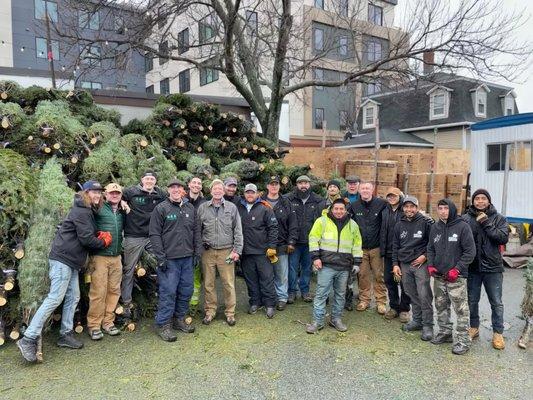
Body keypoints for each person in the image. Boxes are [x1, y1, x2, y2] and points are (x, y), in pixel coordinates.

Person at [17, 181, 110, 362]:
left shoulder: (87, 210)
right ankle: (28, 338)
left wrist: (96, 234)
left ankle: (65, 334)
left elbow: (84, 233)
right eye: (93, 192)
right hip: (63, 260)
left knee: (73, 296)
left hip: (72, 262)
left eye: (99, 192)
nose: (97, 195)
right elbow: (85, 239)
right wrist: (103, 241)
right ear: (85, 193)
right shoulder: (82, 210)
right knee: (55, 298)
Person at [149, 179, 201, 342]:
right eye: (173, 188)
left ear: (183, 190)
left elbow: (196, 232)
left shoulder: (190, 208)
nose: (176, 190)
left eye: (179, 187)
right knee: (168, 292)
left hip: (187, 258)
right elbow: (154, 234)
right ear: (168, 190)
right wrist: (160, 257)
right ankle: (163, 324)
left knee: (186, 290)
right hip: (169, 259)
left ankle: (179, 319)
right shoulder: (161, 208)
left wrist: (197, 253)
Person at [306, 198, 363, 333]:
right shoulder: (322, 221)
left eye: (341, 209)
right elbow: (313, 238)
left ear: (345, 210)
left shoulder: (352, 225)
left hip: (344, 267)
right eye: (336, 208)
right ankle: (318, 321)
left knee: (340, 295)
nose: (339, 211)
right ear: (331, 209)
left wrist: (357, 262)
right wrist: (315, 258)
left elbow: (357, 244)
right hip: (326, 265)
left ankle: (336, 319)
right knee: (321, 294)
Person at [427, 199, 476, 355]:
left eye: (446, 208)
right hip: (439, 276)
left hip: (457, 277)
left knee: (461, 310)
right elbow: (430, 248)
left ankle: (463, 341)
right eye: (440, 208)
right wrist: (430, 264)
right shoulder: (435, 227)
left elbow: (470, 252)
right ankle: (445, 332)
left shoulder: (462, 227)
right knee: (441, 306)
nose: (442, 211)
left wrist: (457, 269)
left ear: (452, 209)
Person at [463, 189, 509, 350]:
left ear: (488, 201)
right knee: (472, 300)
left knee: (496, 302)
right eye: (477, 198)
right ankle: (474, 327)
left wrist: (486, 222)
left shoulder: (499, 218)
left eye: (483, 198)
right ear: (473, 201)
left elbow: (503, 238)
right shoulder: (466, 219)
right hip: (473, 268)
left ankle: (498, 333)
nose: (480, 201)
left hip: (493, 268)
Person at [197, 179, 243, 326]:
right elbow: (197, 231)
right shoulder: (203, 208)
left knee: (228, 283)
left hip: (227, 251)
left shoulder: (231, 208)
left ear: (223, 191)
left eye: (220, 189)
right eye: (214, 189)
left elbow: (238, 230)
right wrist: (198, 249)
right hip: (208, 252)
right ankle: (210, 311)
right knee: (209, 284)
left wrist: (237, 250)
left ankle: (230, 313)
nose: (217, 191)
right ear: (210, 191)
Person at [120, 171, 166, 316]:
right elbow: (115, 196)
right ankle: (126, 302)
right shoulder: (131, 192)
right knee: (129, 270)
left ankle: (159, 298)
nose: (149, 181)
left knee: (161, 265)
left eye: (152, 179)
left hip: (153, 237)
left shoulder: (160, 195)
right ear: (142, 180)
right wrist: (123, 202)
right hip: (134, 236)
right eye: (147, 178)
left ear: (155, 181)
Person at [87, 183, 127, 340]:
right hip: (100, 257)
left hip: (116, 257)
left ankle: (108, 322)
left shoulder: (122, 211)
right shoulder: (98, 208)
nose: (115, 195)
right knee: (98, 292)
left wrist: (125, 204)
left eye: (117, 193)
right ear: (106, 194)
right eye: (112, 193)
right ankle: (94, 325)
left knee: (114, 290)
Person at [392, 196, 434, 341]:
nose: (409, 209)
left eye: (412, 207)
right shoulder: (399, 225)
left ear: (417, 208)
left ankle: (428, 325)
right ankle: (417, 320)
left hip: (420, 264)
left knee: (424, 294)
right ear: (403, 208)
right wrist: (395, 264)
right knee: (410, 292)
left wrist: (425, 256)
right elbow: (395, 246)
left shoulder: (425, 223)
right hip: (404, 264)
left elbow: (432, 243)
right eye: (406, 207)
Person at [237, 183, 279, 318]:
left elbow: (273, 228)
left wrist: (272, 247)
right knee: (251, 280)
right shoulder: (239, 208)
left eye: (252, 192)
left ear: (257, 194)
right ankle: (255, 302)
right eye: (247, 192)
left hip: (263, 252)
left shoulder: (265, 208)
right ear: (244, 194)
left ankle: (270, 304)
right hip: (246, 252)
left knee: (266, 279)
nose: (250, 195)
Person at [286, 175, 325, 303]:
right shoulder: (289, 199)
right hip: (294, 242)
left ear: (310, 185)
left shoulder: (318, 201)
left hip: (310, 242)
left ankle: (305, 291)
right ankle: (291, 292)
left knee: (307, 268)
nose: (303, 186)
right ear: (296, 185)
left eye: (306, 183)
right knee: (292, 268)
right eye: (300, 183)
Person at [350, 181, 387, 313]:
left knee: (379, 275)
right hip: (361, 248)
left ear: (373, 190)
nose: (365, 191)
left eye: (368, 188)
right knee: (363, 275)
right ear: (359, 191)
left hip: (376, 247)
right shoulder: (354, 206)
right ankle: (364, 300)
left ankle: (381, 301)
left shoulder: (381, 204)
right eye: (363, 189)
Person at [262, 176, 298, 310]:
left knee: (281, 274)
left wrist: (291, 242)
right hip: (264, 245)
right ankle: (268, 297)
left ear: (279, 186)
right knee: (266, 274)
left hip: (282, 244)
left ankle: (282, 297)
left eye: (276, 184)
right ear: (267, 186)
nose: (274, 187)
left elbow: (293, 224)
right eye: (271, 184)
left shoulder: (286, 202)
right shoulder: (261, 202)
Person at [381, 187, 411, 322]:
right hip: (388, 251)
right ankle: (394, 306)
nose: (392, 198)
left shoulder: (405, 210)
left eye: (394, 196)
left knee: (405, 282)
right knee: (389, 280)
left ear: (400, 196)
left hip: (403, 252)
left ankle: (404, 309)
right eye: (389, 196)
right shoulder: (385, 210)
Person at [185, 176, 207, 314]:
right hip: (183, 244)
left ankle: (193, 304)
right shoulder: (181, 200)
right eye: (194, 182)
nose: (196, 185)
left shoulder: (204, 203)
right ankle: (183, 305)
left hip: (199, 244)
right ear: (189, 185)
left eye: (199, 183)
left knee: (196, 276)